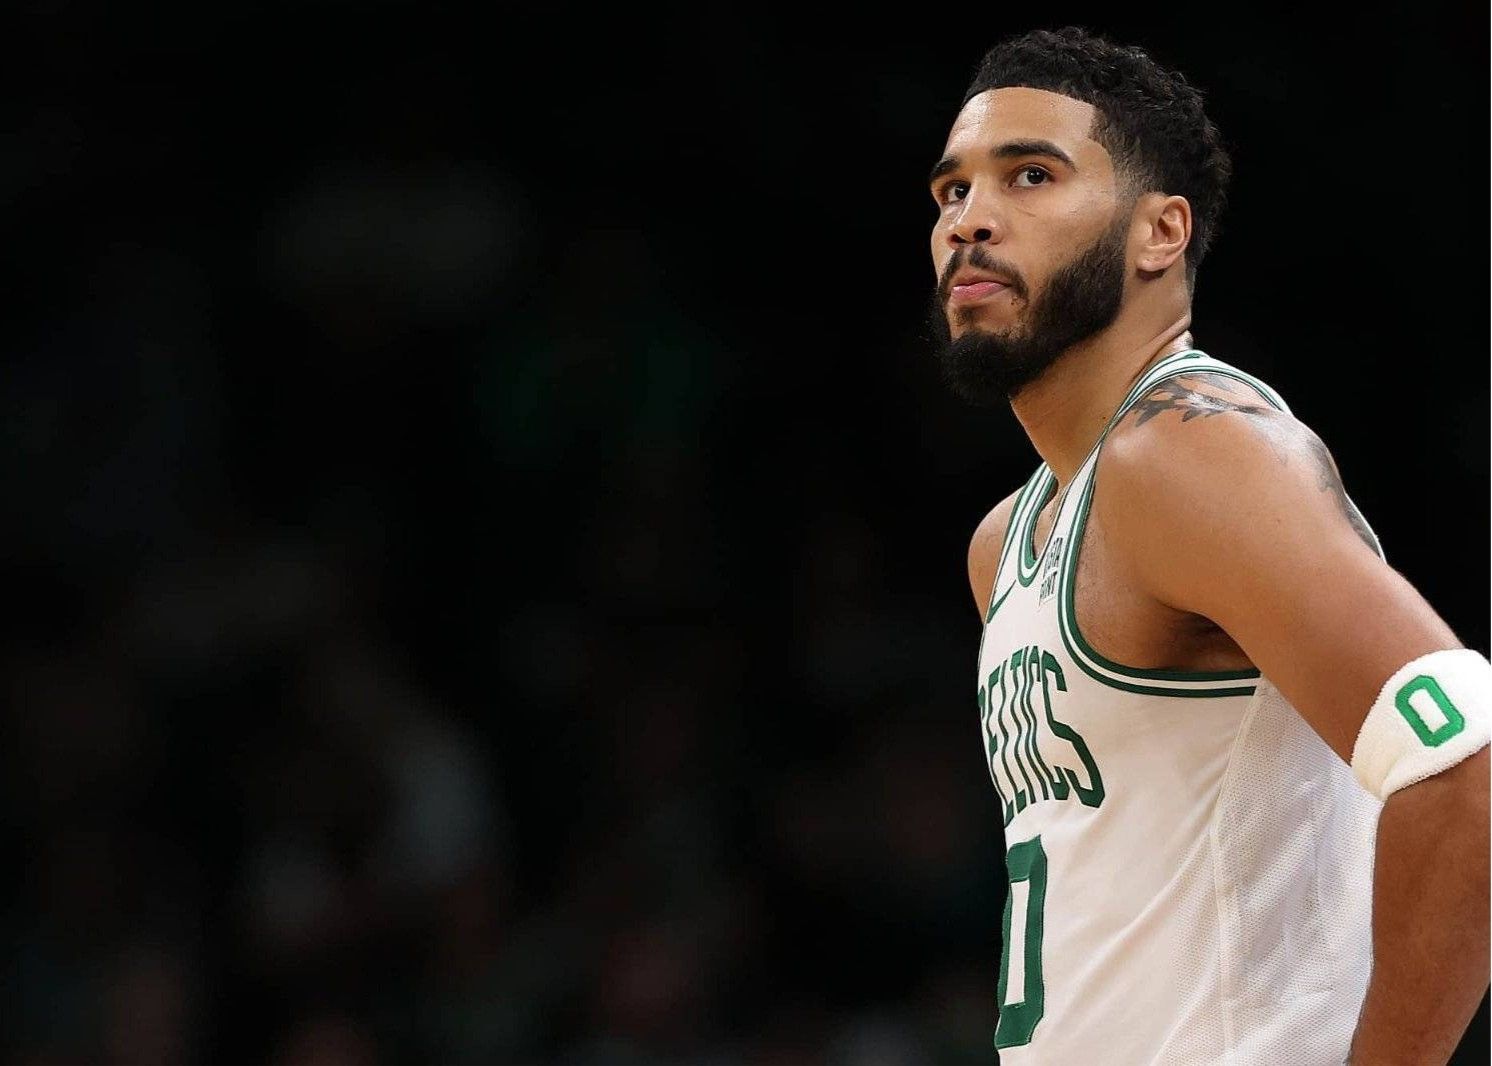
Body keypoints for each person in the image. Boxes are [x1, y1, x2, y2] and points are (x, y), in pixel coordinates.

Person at [927, 26, 1489, 1065]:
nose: (970, 219)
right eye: (952, 190)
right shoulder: (1006, 539)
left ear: (1161, 232)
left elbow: (1468, 766)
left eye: (1031, 175)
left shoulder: (1187, 453)